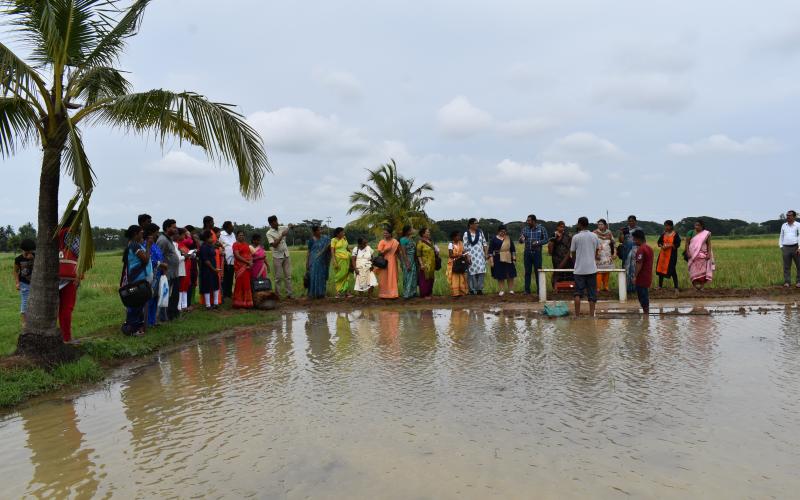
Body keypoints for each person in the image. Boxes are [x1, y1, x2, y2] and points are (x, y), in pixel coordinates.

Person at [58, 210, 81, 342]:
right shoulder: (69, 232)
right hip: (69, 276)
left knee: (60, 307)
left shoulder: (59, 232)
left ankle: (63, 335)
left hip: (57, 273)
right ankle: (66, 337)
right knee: (67, 307)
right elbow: (79, 251)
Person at [122, 225, 149, 336]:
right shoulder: (134, 245)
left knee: (137, 303)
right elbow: (146, 260)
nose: (142, 235)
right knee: (136, 304)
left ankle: (135, 327)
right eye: (141, 233)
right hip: (136, 278)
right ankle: (132, 329)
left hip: (137, 278)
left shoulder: (133, 245)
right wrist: (148, 246)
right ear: (135, 234)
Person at [570, 217, 600, 317]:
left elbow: (573, 253)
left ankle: (577, 315)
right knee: (592, 294)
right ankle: (592, 316)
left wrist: (575, 263)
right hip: (591, 269)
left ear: (579, 224)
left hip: (579, 270)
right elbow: (596, 251)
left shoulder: (576, 237)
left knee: (577, 293)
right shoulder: (594, 236)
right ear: (587, 224)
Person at [157, 219, 180, 321]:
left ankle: (169, 315)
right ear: (167, 228)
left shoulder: (169, 239)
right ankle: (162, 318)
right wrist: (163, 271)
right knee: (164, 296)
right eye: (173, 227)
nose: (175, 229)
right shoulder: (162, 240)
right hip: (167, 273)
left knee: (170, 296)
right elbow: (159, 257)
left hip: (173, 273)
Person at [519, 214, 549, 295]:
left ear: (534, 221)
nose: (527, 222)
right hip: (527, 252)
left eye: (529, 220)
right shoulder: (525, 229)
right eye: (527, 220)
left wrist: (538, 242)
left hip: (537, 253)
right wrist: (521, 239)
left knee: (538, 272)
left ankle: (540, 291)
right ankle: (527, 290)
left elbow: (546, 239)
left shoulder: (541, 229)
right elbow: (521, 241)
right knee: (527, 272)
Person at [144, 223, 166, 328]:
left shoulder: (155, 245)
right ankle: (147, 322)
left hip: (158, 274)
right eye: (156, 232)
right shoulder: (145, 245)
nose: (157, 234)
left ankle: (153, 321)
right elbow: (149, 260)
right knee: (149, 299)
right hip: (150, 275)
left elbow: (160, 257)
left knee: (156, 298)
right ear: (151, 233)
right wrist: (160, 264)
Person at [267, 215, 294, 299]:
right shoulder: (269, 233)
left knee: (288, 276)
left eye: (277, 221)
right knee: (278, 277)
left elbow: (290, 227)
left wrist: (290, 226)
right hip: (277, 256)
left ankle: (289, 294)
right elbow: (274, 245)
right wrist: (282, 236)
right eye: (274, 222)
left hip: (286, 254)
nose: (277, 223)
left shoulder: (282, 227)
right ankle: (277, 295)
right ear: (271, 224)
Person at [488, 224, 517, 296]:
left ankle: (511, 290)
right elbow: (490, 251)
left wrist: (514, 258)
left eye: (504, 231)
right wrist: (491, 261)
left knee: (510, 274)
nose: (503, 233)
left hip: (508, 258)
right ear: (498, 231)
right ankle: (501, 290)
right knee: (500, 275)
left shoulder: (508, 238)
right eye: (502, 231)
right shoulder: (494, 239)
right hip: (498, 258)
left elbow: (513, 250)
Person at [200, 216, 222, 306]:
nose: (213, 223)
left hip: (214, 261)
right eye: (212, 222)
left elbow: (213, 244)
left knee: (215, 283)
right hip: (208, 266)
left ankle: (216, 302)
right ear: (207, 223)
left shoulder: (211, 235)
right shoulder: (204, 243)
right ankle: (208, 303)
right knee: (207, 285)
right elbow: (205, 259)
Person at [687, 220, 715, 290]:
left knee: (703, 272)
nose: (696, 227)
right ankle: (694, 286)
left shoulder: (706, 233)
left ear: (702, 226)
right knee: (693, 271)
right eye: (695, 225)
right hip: (693, 255)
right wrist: (688, 252)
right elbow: (687, 243)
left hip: (703, 255)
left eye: (698, 225)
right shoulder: (690, 233)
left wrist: (709, 254)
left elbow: (709, 244)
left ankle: (702, 287)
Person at [463, 218, 489, 295]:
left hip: (480, 256)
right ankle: (472, 289)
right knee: (471, 273)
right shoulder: (466, 234)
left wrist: (486, 254)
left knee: (481, 272)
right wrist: (467, 256)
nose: (477, 224)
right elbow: (465, 246)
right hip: (471, 256)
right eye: (475, 223)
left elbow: (484, 244)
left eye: (477, 223)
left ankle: (479, 289)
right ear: (470, 224)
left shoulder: (480, 232)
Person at [306, 225, 331, 299]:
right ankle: (313, 293)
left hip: (323, 261)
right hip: (313, 260)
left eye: (320, 230)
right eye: (319, 230)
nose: (320, 231)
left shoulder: (325, 238)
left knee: (322, 276)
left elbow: (330, 245)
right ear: (314, 232)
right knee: (314, 277)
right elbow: (309, 251)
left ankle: (321, 293)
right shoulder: (311, 240)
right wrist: (307, 262)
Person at [14, 238, 35, 326]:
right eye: (28, 251)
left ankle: (33, 319)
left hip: (35, 283)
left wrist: (33, 259)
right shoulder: (18, 259)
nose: (29, 252)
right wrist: (17, 282)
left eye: (31, 251)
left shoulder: (36, 256)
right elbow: (15, 271)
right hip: (24, 283)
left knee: (35, 301)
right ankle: (24, 322)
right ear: (23, 250)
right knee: (25, 301)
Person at [656, 220, 682, 290]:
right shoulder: (663, 234)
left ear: (671, 226)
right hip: (663, 255)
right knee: (660, 269)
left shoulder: (675, 234)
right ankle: (660, 286)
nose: (666, 227)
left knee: (672, 270)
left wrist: (669, 246)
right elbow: (659, 242)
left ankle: (676, 287)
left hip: (671, 256)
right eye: (665, 225)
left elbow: (678, 244)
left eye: (667, 225)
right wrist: (662, 246)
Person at [633, 229, 654, 315]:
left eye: (634, 239)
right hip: (647, 275)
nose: (634, 241)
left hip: (642, 277)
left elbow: (639, 264)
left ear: (638, 239)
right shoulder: (649, 248)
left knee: (642, 296)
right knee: (644, 295)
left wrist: (635, 276)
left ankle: (646, 315)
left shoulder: (641, 249)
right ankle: (646, 313)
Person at [376, 227, 400, 299]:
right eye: (384, 233)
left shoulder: (395, 242)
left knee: (392, 276)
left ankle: (393, 294)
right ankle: (383, 294)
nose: (385, 234)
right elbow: (380, 253)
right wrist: (386, 250)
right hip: (384, 261)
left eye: (386, 233)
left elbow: (397, 252)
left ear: (390, 234)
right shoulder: (382, 242)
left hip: (392, 260)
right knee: (383, 277)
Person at [548, 221, 573, 287]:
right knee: (557, 272)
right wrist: (555, 238)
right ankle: (556, 287)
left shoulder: (567, 235)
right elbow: (550, 246)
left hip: (566, 257)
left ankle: (567, 286)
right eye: (560, 227)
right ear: (557, 227)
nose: (562, 228)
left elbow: (570, 246)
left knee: (567, 272)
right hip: (556, 257)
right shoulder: (553, 235)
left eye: (563, 227)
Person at [232, 230, 254, 308]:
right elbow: (237, 256)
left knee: (246, 284)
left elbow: (250, 255)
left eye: (243, 235)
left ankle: (247, 302)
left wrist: (250, 262)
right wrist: (247, 262)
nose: (241, 236)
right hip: (240, 267)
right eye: (240, 235)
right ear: (237, 236)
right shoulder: (235, 245)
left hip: (247, 268)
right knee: (239, 284)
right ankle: (238, 302)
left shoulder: (246, 245)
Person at [779, 210, 800, 288]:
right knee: (786, 266)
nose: (788, 217)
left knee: (799, 265)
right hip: (786, 247)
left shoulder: (798, 225)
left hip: (796, 247)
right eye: (787, 215)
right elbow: (781, 235)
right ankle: (787, 282)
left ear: (794, 217)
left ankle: (798, 282)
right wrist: (781, 246)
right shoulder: (784, 225)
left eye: (790, 215)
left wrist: (799, 247)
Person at [416, 227, 438, 299]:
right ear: (423, 234)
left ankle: (429, 293)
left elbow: (434, 251)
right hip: (425, 264)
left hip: (432, 263)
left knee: (431, 278)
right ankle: (424, 294)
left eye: (429, 232)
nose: (429, 233)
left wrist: (436, 251)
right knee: (425, 279)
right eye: (427, 232)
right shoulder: (420, 243)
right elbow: (419, 255)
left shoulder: (430, 242)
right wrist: (421, 264)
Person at [594, 219, 615, 292]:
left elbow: (613, 243)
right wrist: (595, 254)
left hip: (607, 254)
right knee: (599, 271)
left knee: (607, 271)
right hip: (598, 254)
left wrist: (614, 253)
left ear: (605, 225)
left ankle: (606, 286)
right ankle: (598, 287)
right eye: (599, 224)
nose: (600, 226)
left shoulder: (609, 232)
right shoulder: (594, 233)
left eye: (601, 224)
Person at [447, 230, 468, 297]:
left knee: (461, 277)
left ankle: (462, 292)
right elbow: (450, 255)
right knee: (455, 278)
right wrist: (459, 255)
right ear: (453, 237)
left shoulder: (461, 243)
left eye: (459, 236)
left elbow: (464, 251)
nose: (459, 237)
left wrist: (466, 258)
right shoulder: (451, 244)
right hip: (454, 263)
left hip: (460, 263)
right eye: (458, 236)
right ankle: (455, 293)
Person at [399, 225, 418, 299]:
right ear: (408, 231)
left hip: (413, 259)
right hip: (407, 259)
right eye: (411, 229)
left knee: (413, 276)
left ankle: (413, 293)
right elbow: (403, 252)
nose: (413, 230)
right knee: (408, 276)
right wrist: (407, 263)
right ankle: (406, 294)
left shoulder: (411, 239)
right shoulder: (403, 239)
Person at [219, 221, 236, 299]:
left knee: (230, 277)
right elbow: (220, 246)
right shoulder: (221, 235)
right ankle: (224, 294)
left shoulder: (233, 234)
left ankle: (229, 293)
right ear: (227, 227)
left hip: (233, 260)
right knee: (224, 277)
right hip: (224, 260)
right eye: (231, 225)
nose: (233, 227)